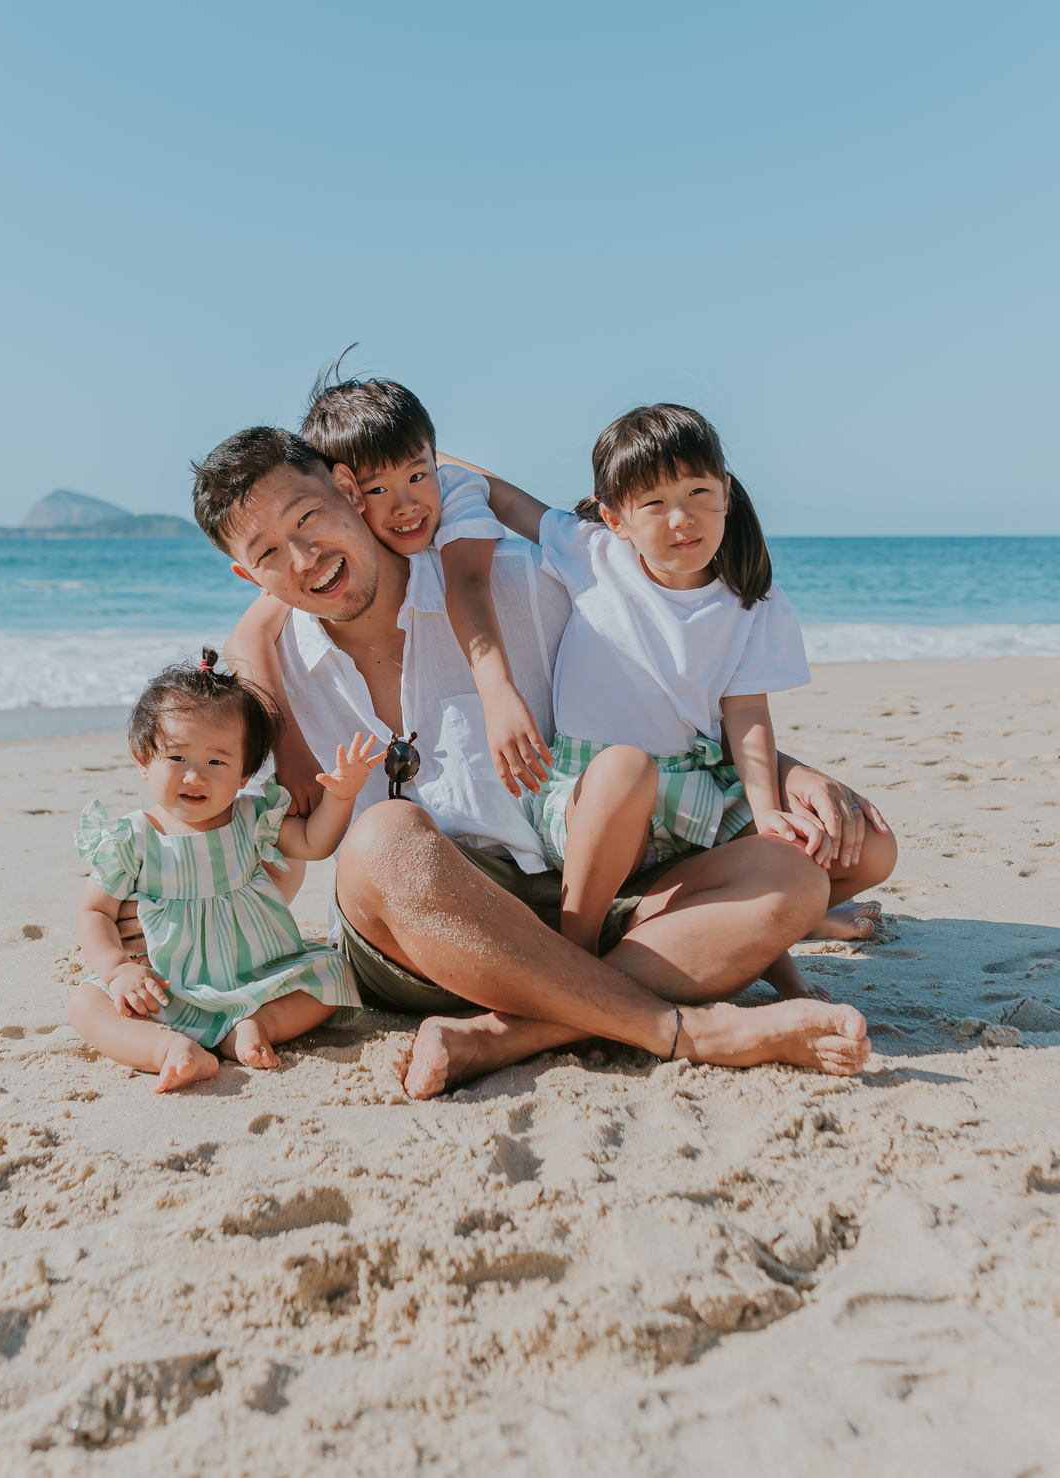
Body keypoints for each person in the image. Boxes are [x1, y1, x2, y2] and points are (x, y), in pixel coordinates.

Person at [170, 425, 878, 1097]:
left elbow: (656, 696)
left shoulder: (520, 583)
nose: (303, 558)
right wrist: (141, 932)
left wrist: (788, 772)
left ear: (350, 492)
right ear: (247, 574)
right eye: (269, 553)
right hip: (426, 936)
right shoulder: (265, 684)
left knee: (790, 875)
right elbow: (241, 836)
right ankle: (681, 1029)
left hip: (580, 897)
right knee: (382, 836)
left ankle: (510, 1034)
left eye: (307, 519)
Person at [443, 404, 895, 1002]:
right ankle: (577, 952)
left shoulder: (751, 602)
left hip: (696, 792)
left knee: (872, 850)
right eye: (654, 503)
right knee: (626, 768)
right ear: (615, 517)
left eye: (698, 492)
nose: (681, 518)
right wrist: (421, 459)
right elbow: (502, 496)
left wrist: (766, 815)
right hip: (594, 796)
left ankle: (745, 926)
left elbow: (747, 716)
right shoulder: (592, 552)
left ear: (725, 493)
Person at [228, 352, 552, 806]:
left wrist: (578, 535)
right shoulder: (316, 572)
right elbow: (249, 635)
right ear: (348, 492)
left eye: (419, 475)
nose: (405, 506)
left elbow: (477, 571)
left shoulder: (454, 498)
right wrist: (290, 751)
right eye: (376, 489)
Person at [67, 648, 379, 1093]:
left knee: (333, 971)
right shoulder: (132, 838)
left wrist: (342, 796)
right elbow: (94, 911)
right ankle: (169, 1050)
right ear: (143, 759)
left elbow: (315, 842)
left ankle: (255, 1026)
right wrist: (118, 970)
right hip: (166, 987)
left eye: (216, 762)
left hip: (257, 977)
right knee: (86, 1003)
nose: (195, 776)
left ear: (244, 773)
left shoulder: (252, 818)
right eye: (177, 759)